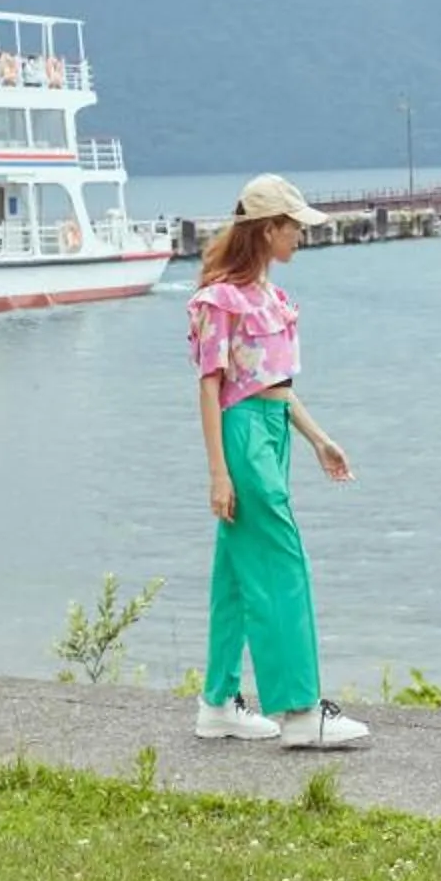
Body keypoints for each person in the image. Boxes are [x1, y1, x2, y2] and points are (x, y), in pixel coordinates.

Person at [187, 174, 368, 750]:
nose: (301, 237)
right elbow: (210, 389)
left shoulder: (272, 298)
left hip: (271, 430)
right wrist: (218, 471)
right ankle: (299, 710)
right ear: (268, 230)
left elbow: (276, 386)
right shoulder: (221, 301)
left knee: (237, 577)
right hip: (242, 437)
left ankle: (218, 704)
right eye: (295, 227)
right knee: (283, 565)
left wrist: (318, 439)